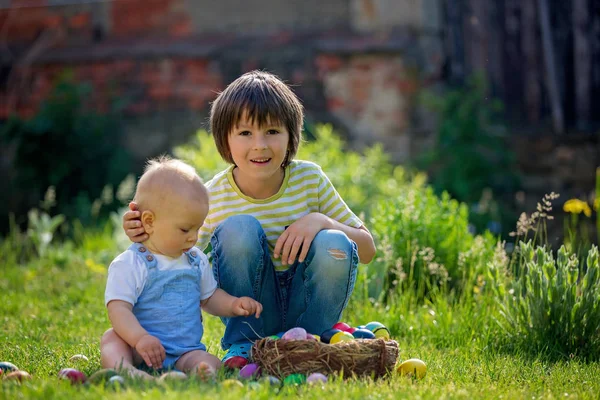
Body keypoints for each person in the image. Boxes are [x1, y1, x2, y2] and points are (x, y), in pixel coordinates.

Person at [116, 70, 376, 368]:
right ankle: (244, 345)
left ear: (292, 135)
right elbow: (175, 252)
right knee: (238, 229)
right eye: (245, 133)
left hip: (308, 310)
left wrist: (321, 220)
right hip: (251, 312)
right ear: (224, 140)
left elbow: (366, 249)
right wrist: (145, 232)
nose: (260, 145)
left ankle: (314, 344)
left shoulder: (310, 180)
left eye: (272, 132)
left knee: (334, 241)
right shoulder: (211, 196)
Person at [101, 156, 263, 379]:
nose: (194, 238)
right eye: (185, 230)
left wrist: (233, 304)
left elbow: (209, 297)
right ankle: (129, 370)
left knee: (208, 361)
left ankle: (199, 371)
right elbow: (118, 309)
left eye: (198, 228)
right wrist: (139, 339)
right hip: (139, 347)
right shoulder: (131, 263)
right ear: (149, 222)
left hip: (185, 351)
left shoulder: (195, 260)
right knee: (111, 339)